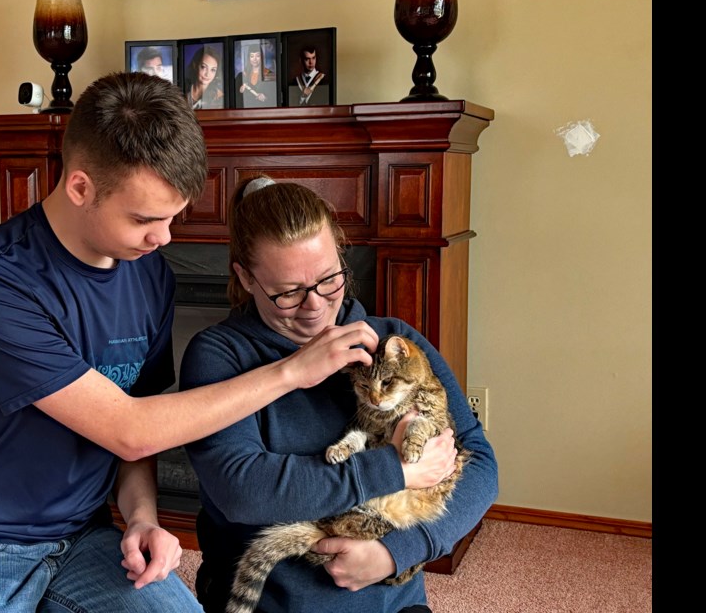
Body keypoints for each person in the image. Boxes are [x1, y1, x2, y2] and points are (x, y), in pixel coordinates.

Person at [0, 73, 381, 613]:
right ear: (81, 187)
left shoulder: (150, 275)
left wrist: (143, 518)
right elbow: (130, 431)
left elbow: (143, 429)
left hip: (85, 536)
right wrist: (292, 370)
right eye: (145, 219)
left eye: (174, 216)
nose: (164, 238)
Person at [180, 177, 499, 613]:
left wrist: (395, 553)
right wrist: (395, 470)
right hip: (269, 601)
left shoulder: (395, 341)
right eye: (288, 292)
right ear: (246, 278)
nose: (314, 306)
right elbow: (242, 491)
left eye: (329, 279)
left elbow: (480, 461)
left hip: (393, 600)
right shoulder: (218, 356)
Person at [234, 43, 277, 108]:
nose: (254, 59)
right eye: (252, 56)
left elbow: (274, 97)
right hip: (245, 112)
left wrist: (265, 98)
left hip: (262, 111)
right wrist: (240, 90)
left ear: (261, 57)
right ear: (249, 58)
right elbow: (233, 96)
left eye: (257, 56)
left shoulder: (269, 74)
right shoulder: (242, 76)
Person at [185, 45, 225, 110]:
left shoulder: (219, 97)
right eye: (203, 67)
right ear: (195, 65)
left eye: (213, 70)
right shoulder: (181, 92)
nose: (207, 74)